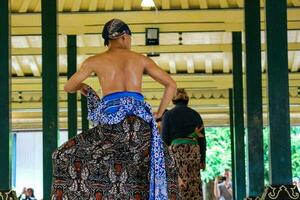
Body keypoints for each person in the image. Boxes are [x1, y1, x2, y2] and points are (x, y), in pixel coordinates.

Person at [51, 19, 179, 199]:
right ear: (125, 37)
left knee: (63, 154)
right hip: (140, 126)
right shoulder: (141, 59)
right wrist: (158, 114)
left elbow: (68, 87)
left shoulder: (94, 61)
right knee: (161, 163)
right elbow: (171, 85)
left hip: (112, 127)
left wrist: (83, 87)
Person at [161, 88, 206, 200]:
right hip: (193, 152)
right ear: (187, 100)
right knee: (193, 183)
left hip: (176, 153)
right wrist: (203, 160)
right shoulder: (196, 115)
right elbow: (202, 139)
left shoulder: (168, 115)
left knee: (177, 182)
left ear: (173, 100)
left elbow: (165, 140)